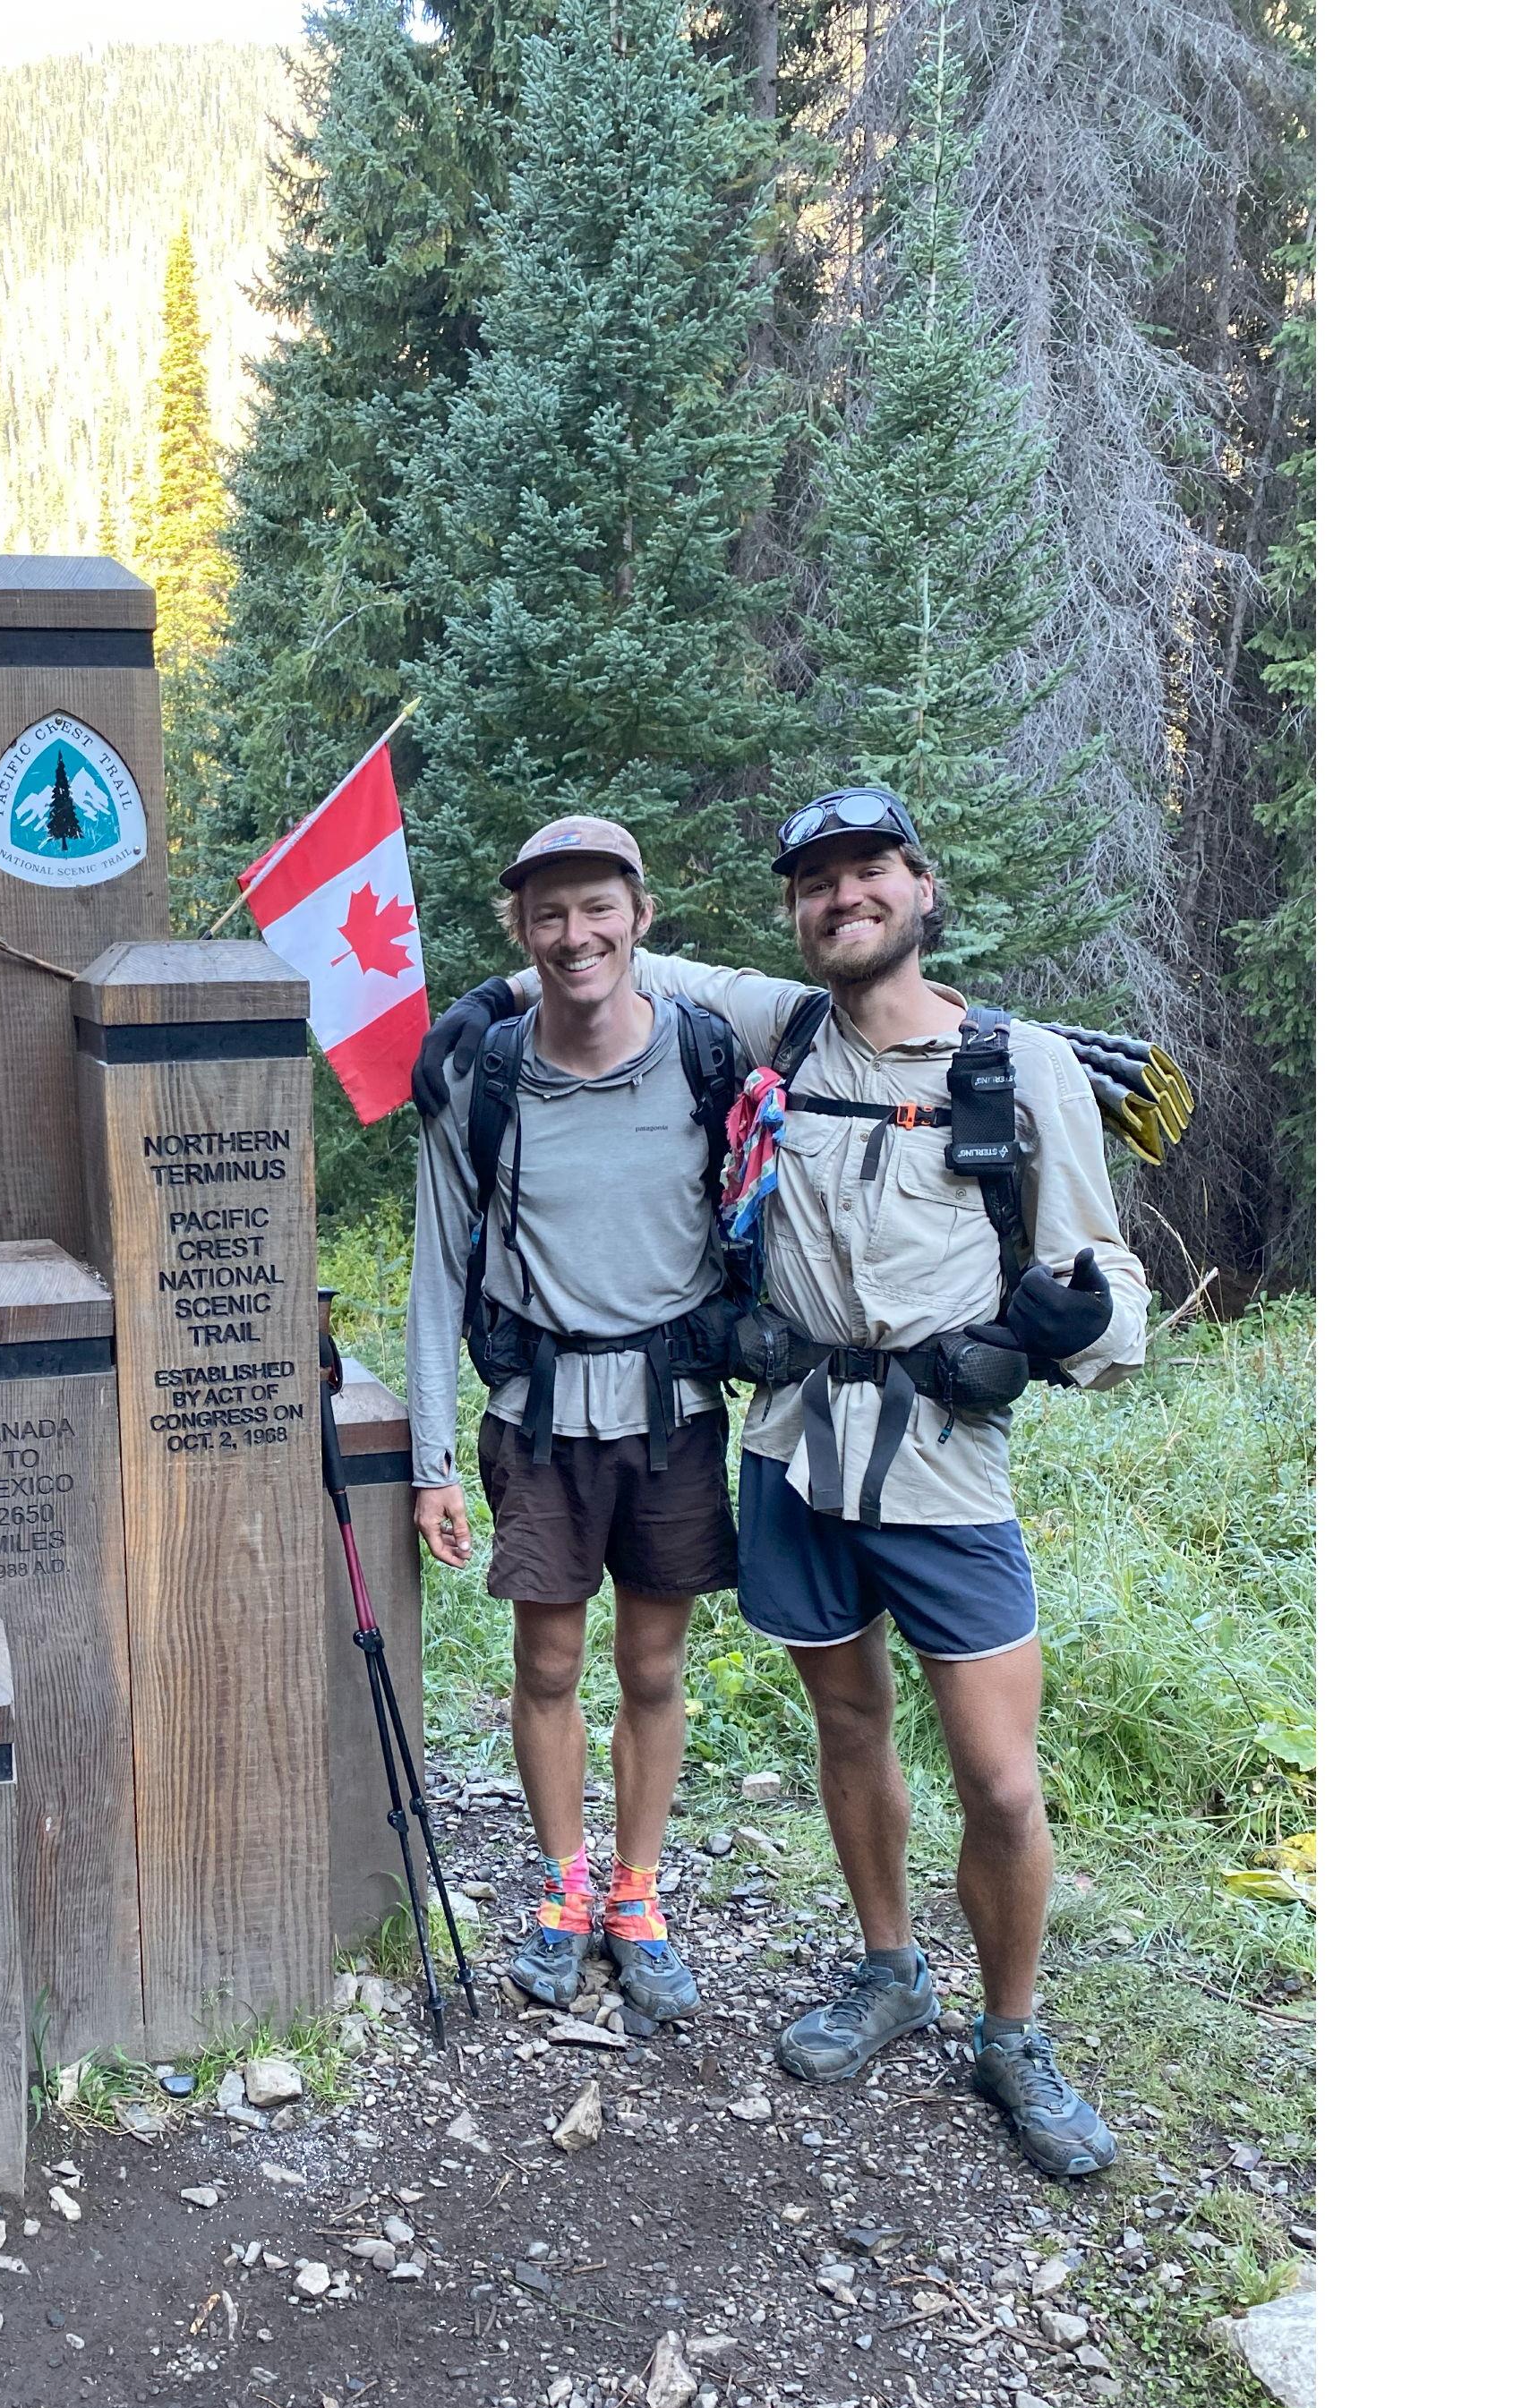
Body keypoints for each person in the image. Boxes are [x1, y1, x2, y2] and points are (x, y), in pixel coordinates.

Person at [417, 787, 1147, 2178]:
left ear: (922, 889)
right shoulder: (780, 1025)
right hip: (793, 1455)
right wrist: (482, 994)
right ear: (795, 911)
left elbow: (1114, 1292)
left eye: (869, 875)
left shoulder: (1018, 1064)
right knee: (850, 1730)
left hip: (945, 1469)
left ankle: (1014, 2036)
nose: (842, 900)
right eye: (816, 884)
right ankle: (887, 1971)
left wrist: (1080, 1327)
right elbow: (607, 949)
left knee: (999, 1779)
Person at [405, 817, 743, 2027]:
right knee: (547, 1663)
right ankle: (564, 1889)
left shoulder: (706, 1056)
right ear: (522, 931)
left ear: (640, 916)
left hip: (676, 1416)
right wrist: (430, 1461)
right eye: (546, 915)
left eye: (596, 906)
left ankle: (636, 1896)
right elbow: (439, 1270)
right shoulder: (479, 1078)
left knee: (653, 1665)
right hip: (538, 1421)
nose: (573, 934)